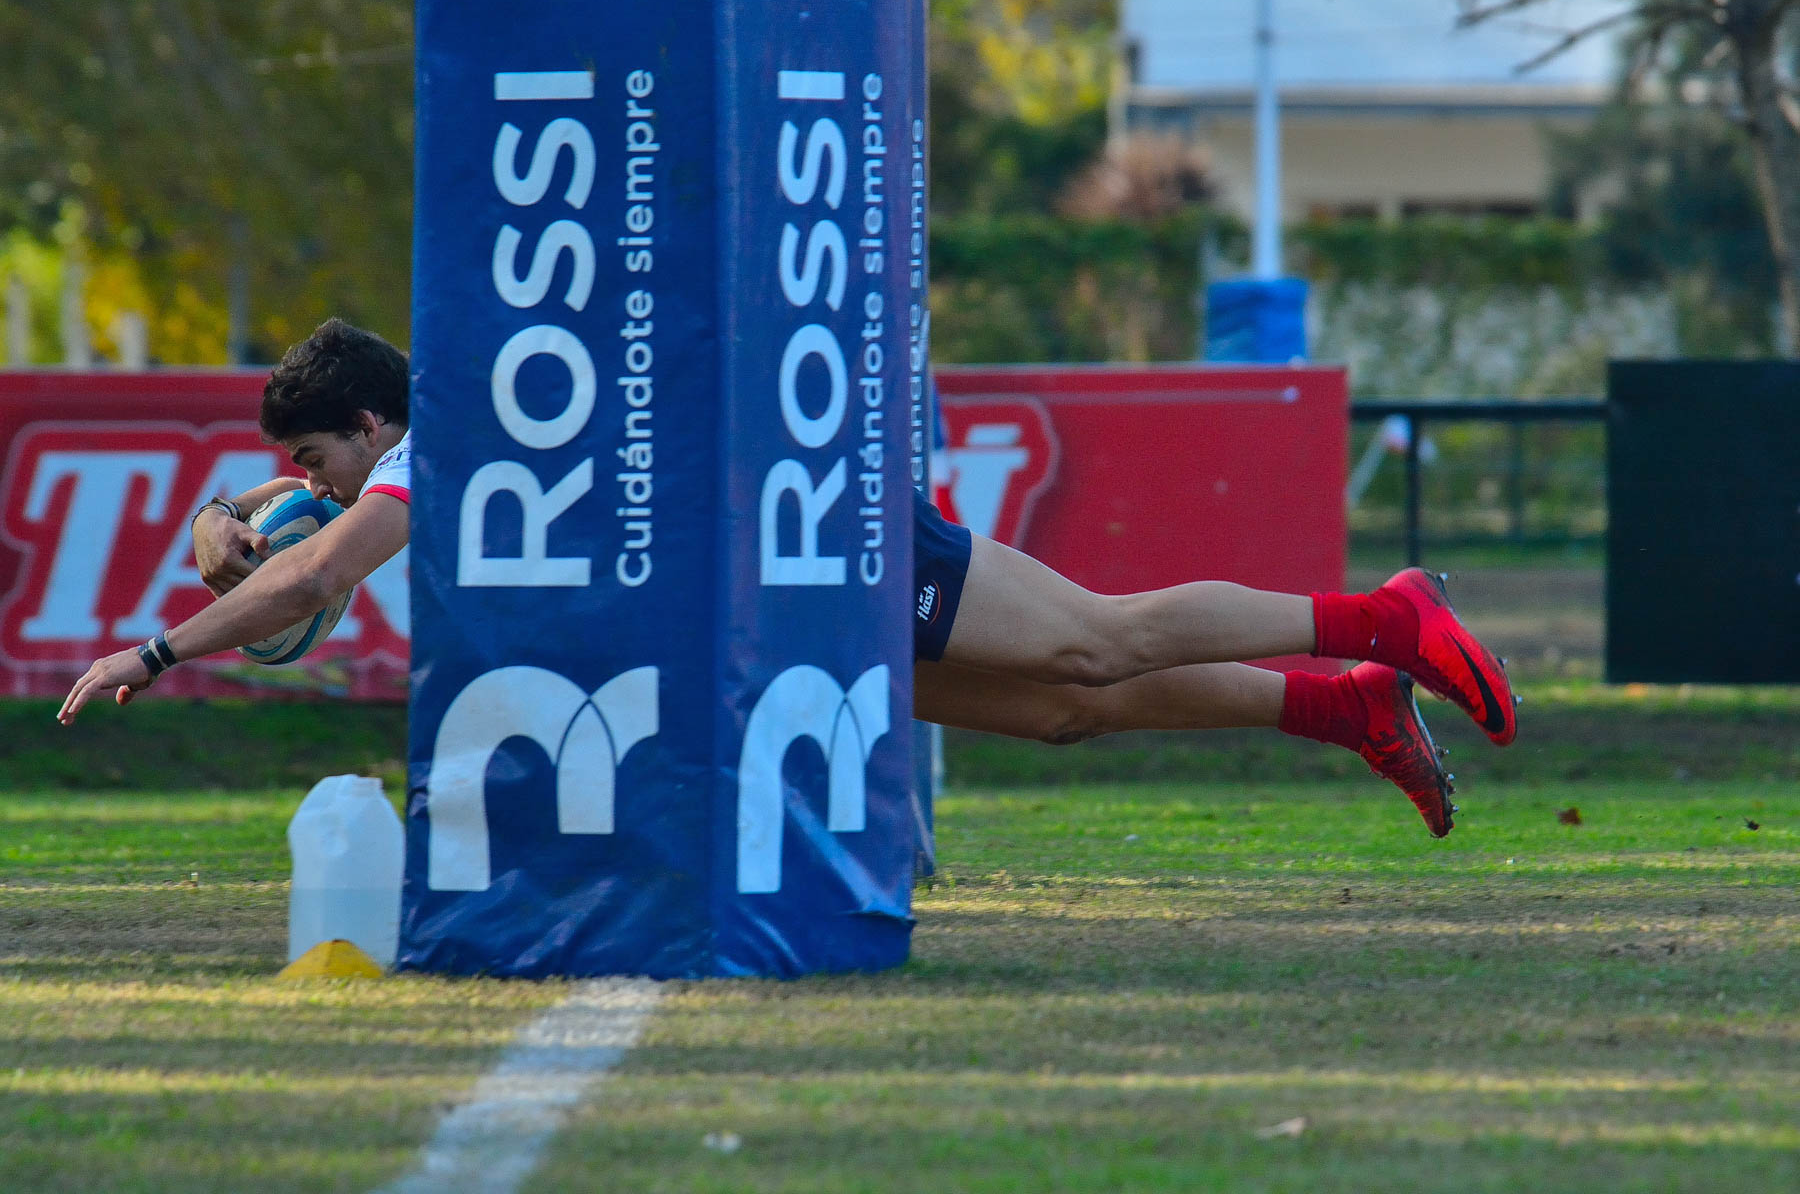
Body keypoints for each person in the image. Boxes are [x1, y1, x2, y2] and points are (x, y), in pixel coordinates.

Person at [59, 318, 1518, 837]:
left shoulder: (435, 452)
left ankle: (1385, 614)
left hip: (817, 522)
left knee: (1093, 639)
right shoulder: (396, 449)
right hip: (775, 574)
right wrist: (229, 524)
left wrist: (162, 646)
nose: (314, 487)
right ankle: (1344, 710)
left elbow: (309, 583)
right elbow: (294, 559)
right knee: (1066, 712)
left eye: (319, 461)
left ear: (372, 426)